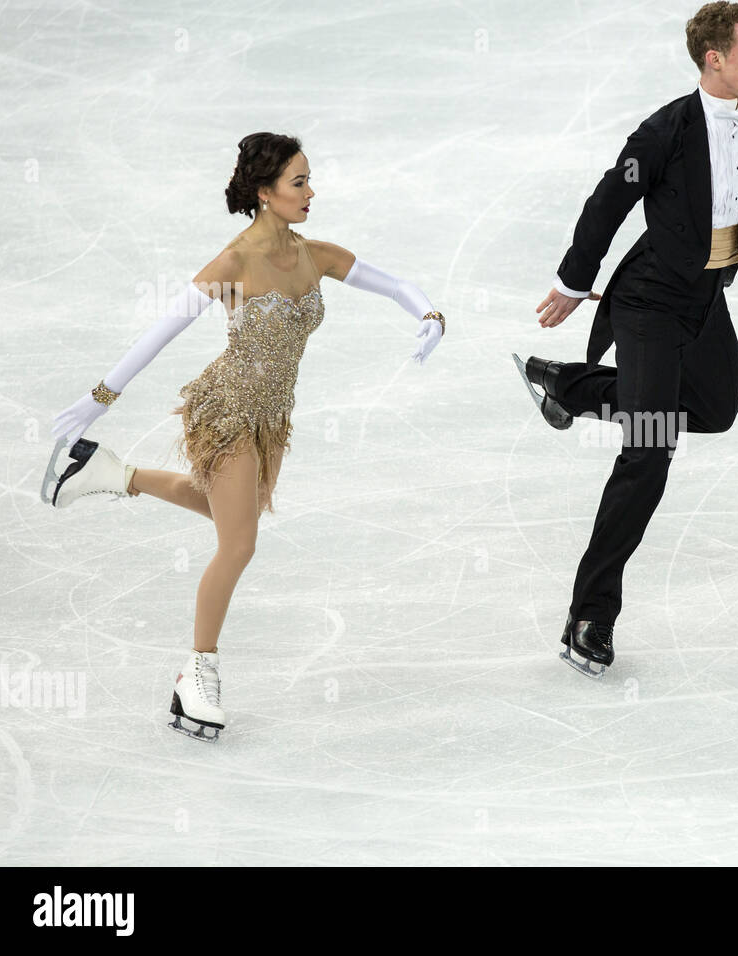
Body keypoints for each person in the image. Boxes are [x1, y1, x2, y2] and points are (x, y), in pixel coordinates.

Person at [43, 132, 447, 740]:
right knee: (238, 544)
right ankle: (196, 674)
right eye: (299, 182)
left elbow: (392, 284)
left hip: (272, 418)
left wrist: (430, 316)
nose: (311, 192)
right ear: (265, 193)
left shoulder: (315, 256)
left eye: (309, 179)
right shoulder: (234, 263)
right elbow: (163, 331)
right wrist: (100, 397)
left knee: (237, 515)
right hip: (227, 409)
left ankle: (110, 474)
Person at [514, 2, 738, 678]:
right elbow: (607, 201)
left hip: (705, 300)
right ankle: (590, 616)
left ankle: (572, 386)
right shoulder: (665, 131)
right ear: (715, 60)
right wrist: (571, 280)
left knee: (715, 408)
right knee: (649, 452)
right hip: (650, 301)